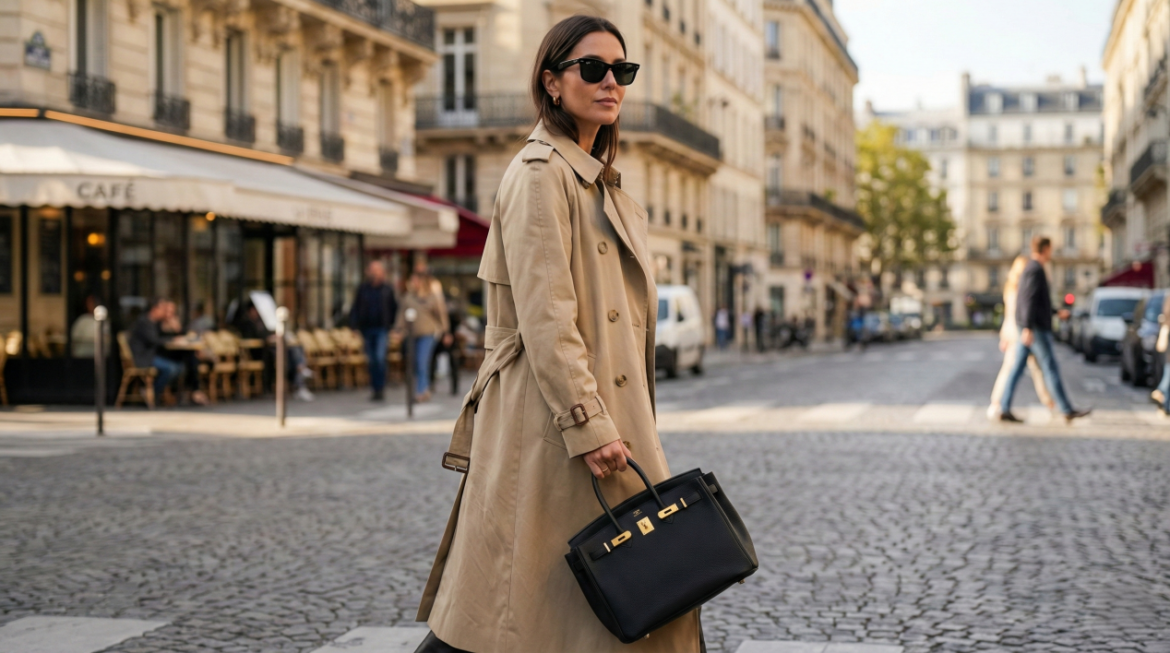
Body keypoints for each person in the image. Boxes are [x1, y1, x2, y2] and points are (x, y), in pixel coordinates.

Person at [414, 16, 703, 653]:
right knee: (535, 607)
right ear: (551, 81)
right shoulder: (541, 173)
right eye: (592, 69)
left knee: (584, 601)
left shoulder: (602, 182)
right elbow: (547, 315)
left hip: (596, 416)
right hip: (557, 426)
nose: (611, 83)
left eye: (621, 71)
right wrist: (589, 421)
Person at [997, 236, 1091, 423]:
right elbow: (1029, 300)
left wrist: (1055, 312)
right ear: (1046, 249)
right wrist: (1028, 327)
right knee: (1050, 368)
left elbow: (1034, 302)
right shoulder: (1036, 269)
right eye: (1050, 249)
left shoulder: (1029, 268)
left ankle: (1004, 407)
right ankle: (1066, 409)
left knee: (1017, 369)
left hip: (1031, 326)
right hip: (1036, 329)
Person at [987, 256, 1055, 419]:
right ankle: (997, 403)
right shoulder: (1019, 288)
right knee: (1013, 369)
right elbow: (1012, 314)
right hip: (1019, 332)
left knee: (1034, 368)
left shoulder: (1013, 287)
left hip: (1019, 331)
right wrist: (1008, 335)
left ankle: (1049, 402)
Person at [129, 297, 208, 405]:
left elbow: (164, 339)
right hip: (145, 357)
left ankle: (186, 393)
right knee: (172, 368)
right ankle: (153, 393)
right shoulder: (145, 322)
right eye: (163, 308)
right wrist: (173, 338)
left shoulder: (155, 322)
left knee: (183, 364)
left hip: (155, 355)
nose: (164, 312)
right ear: (154, 309)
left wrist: (176, 329)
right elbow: (155, 340)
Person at [236, 303, 314, 402]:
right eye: (254, 310)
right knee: (283, 354)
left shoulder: (261, 321)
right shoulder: (247, 323)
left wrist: (273, 337)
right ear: (250, 311)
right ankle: (300, 372)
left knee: (294, 348)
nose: (257, 312)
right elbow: (253, 337)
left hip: (269, 349)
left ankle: (300, 371)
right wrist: (268, 338)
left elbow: (268, 333)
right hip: (257, 352)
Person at [396, 271, 450, 402]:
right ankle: (423, 388)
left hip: (428, 334)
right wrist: (398, 329)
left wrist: (446, 332)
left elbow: (441, 315)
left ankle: (421, 391)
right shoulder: (408, 297)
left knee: (422, 361)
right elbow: (401, 315)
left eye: (415, 280)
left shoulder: (432, 297)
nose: (413, 283)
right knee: (414, 363)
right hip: (412, 335)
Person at [349, 261, 398, 401]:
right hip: (366, 329)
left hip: (382, 329)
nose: (374, 273)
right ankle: (375, 388)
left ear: (382, 272)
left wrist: (394, 327)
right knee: (371, 360)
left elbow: (394, 309)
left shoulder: (387, 289)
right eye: (372, 270)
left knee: (380, 358)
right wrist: (354, 326)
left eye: (377, 270)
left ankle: (380, 387)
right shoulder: (363, 289)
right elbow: (356, 308)